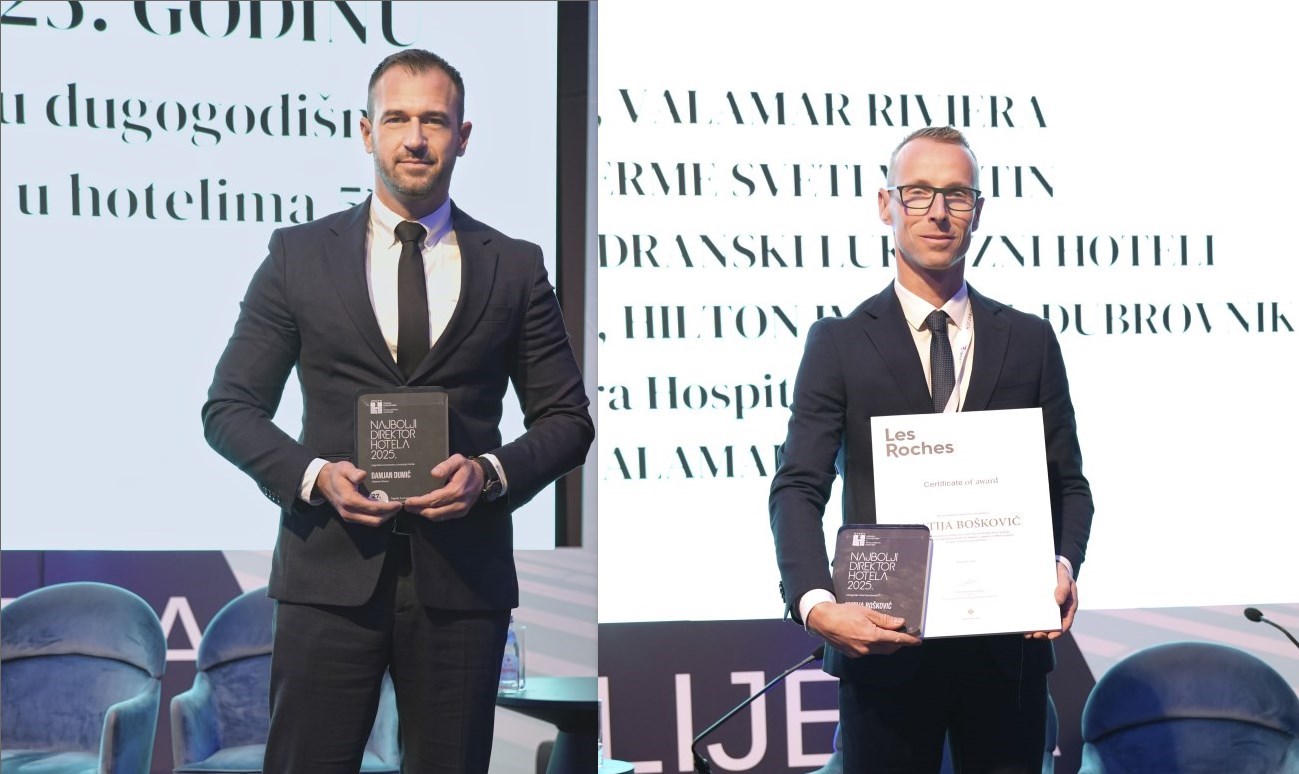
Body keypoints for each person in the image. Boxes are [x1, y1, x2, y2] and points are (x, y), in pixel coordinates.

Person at [202, 49, 593, 773]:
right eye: (397, 119)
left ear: (462, 136)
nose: (415, 138)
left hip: (462, 585)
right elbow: (229, 408)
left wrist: (488, 474)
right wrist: (316, 475)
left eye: (434, 121)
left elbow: (569, 421)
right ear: (366, 131)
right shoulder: (298, 256)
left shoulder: (513, 265)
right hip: (329, 579)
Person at [769, 126, 1093, 773]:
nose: (938, 212)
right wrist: (815, 602)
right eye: (917, 193)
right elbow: (798, 485)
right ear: (886, 205)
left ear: (978, 210)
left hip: (1007, 649)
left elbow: (1068, 484)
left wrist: (1061, 564)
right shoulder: (838, 342)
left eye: (956, 195)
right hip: (886, 647)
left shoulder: (1029, 340)